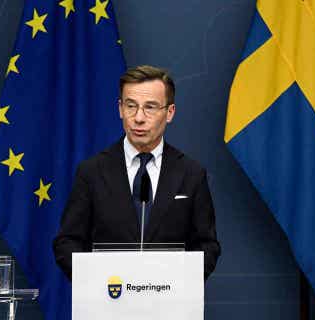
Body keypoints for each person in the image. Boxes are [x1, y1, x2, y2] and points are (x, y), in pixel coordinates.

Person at [53, 65, 220, 280]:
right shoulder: (92, 172)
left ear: (170, 112)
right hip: (109, 302)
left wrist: (177, 284)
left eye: (150, 107)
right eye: (131, 106)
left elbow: (207, 246)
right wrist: (96, 283)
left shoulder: (191, 174)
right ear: (120, 108)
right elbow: (67, 242)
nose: (138, 118)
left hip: (168, 305)